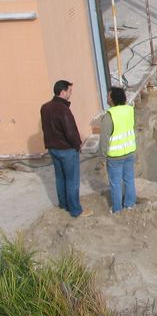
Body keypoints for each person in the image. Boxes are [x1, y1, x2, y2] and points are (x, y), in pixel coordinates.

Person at [40, 80, 93, 218]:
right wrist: (78, 145)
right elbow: (70, 132)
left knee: (60, 177)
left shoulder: (45, 107)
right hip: (66, 150)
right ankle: (76, 210)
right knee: (72, 180)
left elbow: (46, 128)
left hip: (52, 148)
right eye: (69, 91)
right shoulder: (63, 109)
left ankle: (63, 204)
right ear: (62, 92)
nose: (70, 94)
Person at [100, 87, 137, 214]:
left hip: (115, 156)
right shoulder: (130, 110)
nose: (107, 98)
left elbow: (104, 140)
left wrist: (101, 157)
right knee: (129, 179)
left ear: (113, 99)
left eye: (108, 96)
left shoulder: (109, 116)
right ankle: (130, 204)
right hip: (130, 152)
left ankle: (117, 209)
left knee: (115, 183)